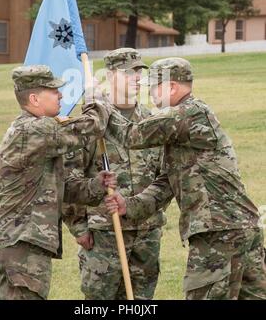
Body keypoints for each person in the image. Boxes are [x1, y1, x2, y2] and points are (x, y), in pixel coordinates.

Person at [105, 57, 266, 300]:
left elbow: (130, 135)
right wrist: (130, 205)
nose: (150, 92)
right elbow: (165, 183)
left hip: (219, 233)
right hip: (237, 229)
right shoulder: (180, 127)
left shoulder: (186, 113)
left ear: (171, 87)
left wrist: (100, 107)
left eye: (154, 86)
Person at [0, 65, 116, 300]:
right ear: (34, 98)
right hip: (20, 246)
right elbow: (92, 126)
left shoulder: (31, 133)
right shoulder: (34, 130)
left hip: (9, 243)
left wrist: (96, 185)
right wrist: (96, 97)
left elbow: (60, 189)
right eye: (53, 90)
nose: (61, 95)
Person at [63, 48, 166, 299]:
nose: (137, 77)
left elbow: (164, 175)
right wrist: (79, 228)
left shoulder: (151, 121)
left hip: (146, 232)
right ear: (110, 76)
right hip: (103, 233)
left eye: (139, 71)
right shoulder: (93, 122)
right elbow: (68, 178)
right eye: (128, 72)